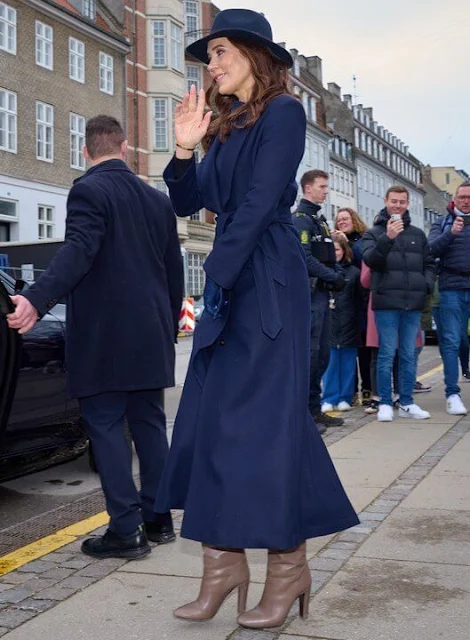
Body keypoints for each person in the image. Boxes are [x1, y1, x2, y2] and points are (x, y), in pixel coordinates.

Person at [153, 8, 359, 630]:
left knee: (264, 429)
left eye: (219, 52)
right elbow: (191, 200)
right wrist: (184, 150)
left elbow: (266, 197)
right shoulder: (223, 127)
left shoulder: (283, 114)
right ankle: (223, 566)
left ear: (253, 54)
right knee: (214, 423)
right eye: (208, 56)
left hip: (264, 277)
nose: (209, 64)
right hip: (232, 280)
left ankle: (287, 564)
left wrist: (217, 273)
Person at [7, 115, 184, 559]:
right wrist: (166, 324)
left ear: (86, 152)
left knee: (105, 427)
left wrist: (36, 299)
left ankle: (126, 531)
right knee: (148, 427)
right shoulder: (157, 201)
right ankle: (159, 520)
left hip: (105, 338)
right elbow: (172, 273)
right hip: (150, 335)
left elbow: (79, 249)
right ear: (124, 148)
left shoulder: (88, 189)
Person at [362, 185, 435, 422]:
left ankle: (407, 401)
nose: (397, 205)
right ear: (385, 201)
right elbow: (371, 260)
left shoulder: (417, 233)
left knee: (407, 355)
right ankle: (384, 402)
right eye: (394, 201)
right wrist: (388, 238)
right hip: (386, 303)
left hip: (412, 303)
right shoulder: (373, 233)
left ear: (407, 204)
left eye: (402, 202)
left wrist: (425, 285)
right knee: (385, 355)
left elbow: (429, 264)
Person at [292, 170, 345, 431]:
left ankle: (315, 408)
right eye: (322, 186)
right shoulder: (301, 220)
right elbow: (304, 257)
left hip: (324, 294)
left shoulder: (319, 220)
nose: (326, 191)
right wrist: (333, 277)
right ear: (308, 188)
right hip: (311, 296)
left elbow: (328, 257)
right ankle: (303, 413)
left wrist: (337, 274)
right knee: (310, 356)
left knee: (322, 355)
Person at [428, 182, 470, 414]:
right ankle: (452, 394)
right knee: (452, 341)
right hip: (451, 288)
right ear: (455, 198)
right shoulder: (442, 222)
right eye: (462, 197)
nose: (466, 201)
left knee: (460, 341)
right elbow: (430, 249)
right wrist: (450, 234)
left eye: (469, 197)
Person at [321, 235, 364, 412]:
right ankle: (329, 397)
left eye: (337, 249)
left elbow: (360, 300)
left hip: (349, 325)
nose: (335, 253)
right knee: (330, 364)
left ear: (344, 251)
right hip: (329, 325)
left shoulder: (354, 272)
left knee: (347, 364)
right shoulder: (322, 271)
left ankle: (345, 397)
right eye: (331, 250)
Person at [334, 207, 371, 405]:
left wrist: (347, 243)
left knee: (363, 349)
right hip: (344, 300)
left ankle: (367, 388)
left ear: (354, 220)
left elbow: (364, 259)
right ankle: (351, 391)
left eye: (345, 219)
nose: (342, 222)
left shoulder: (363, 238)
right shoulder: (335, 242)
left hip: (361, 300)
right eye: (339, 219)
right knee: (348, 350)